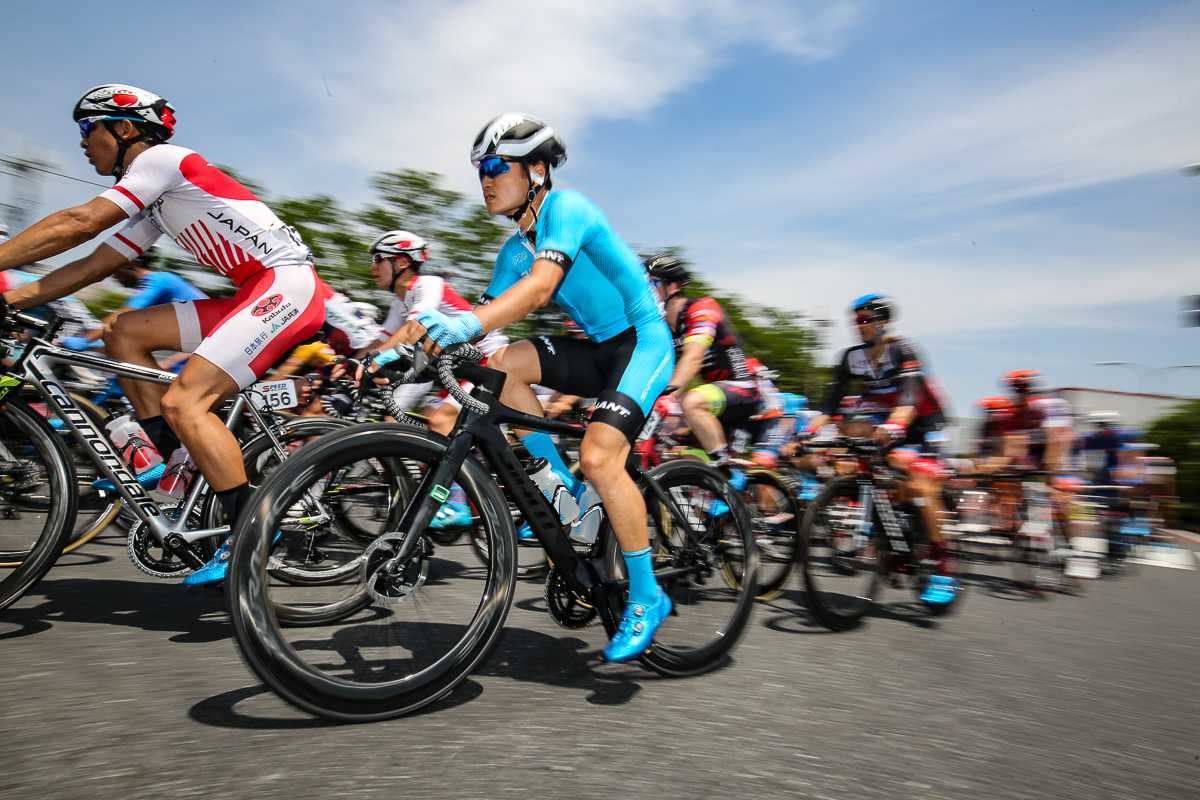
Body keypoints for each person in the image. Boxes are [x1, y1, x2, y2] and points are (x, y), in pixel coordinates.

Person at [0, 84, 326, 586]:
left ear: (125, 128)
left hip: (286, 285)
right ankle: (167, 452)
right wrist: (11, 299)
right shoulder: (155, 202)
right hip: (254, 291)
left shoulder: (165, 161)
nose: (84, 144)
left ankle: (251, 532)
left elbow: (79, 222)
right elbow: (94, 265)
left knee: (185, 401)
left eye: (89, 131)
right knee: (121, 330)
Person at [413, 113, 675, 662]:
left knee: (601, 457)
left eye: (493, 166)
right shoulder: (513, 249)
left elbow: (538, 291)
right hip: (597, 348)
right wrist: (409, 348)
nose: (484, 180)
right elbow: (485, 313)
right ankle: (560, 489)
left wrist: (465, 328)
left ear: (535, 169)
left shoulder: (568, 209)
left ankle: (649, 597)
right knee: (503, 365)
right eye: (479, 171)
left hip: (642, 341)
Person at [803, 294, 958, 603]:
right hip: (886, 417)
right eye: (855, 321)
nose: (858, 327)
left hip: (924, 422)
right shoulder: (851, 357)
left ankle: (943, 566)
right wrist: (807, 434)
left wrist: (896, 427)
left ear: (882, 321)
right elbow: (830, 404)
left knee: (916, 483)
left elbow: (910, 400)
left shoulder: (902, 349)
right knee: (850, 435)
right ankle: (885, 525)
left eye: (865, 320)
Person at [362, 229, 508, 528]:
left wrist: (371, 364)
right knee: (428, 423)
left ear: (401, 262)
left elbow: (414, 328)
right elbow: (381, 341)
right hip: (461, 369)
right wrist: (350, 363)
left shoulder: (428, 284)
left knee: (440, 422)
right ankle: (449, 487)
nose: (372, 266)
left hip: (488, 362)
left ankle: (455, 503)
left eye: (378, 258)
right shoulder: (398, 302)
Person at [644, 255, 761, 466]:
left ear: (673, 287)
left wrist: (669, 396)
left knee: (690, 400)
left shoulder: (702, 308)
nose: (645, 289)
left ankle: (725, 466)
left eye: (652, 283)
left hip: (743, 390)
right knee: (688, 467)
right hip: (713, 401)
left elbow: (693, 356)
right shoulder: (661, 327)